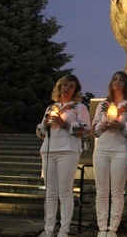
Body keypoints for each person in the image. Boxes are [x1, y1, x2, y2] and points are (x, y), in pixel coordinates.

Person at [36, 75, 91, 237]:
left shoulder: (79, 107)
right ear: (59, 87)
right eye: (64, 85)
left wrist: (64, 123)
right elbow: (40, 132)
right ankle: (48, 229)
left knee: (65, 191)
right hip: (49, 150)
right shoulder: (50, 107)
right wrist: (44, 126)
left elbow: (85, 130)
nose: (67, 88)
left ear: (75, 90)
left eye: (71, 86)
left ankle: (64, 230)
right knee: (50, 192)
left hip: (68, 151)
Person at [91, 71, 127, 237]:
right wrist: (104, 125)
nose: (117, 82)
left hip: (121, 150)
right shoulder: (103, 105)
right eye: (114, 79)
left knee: (117, 191)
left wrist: (122, 127)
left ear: (126, 84)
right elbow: (94, 130)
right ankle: (102, 228)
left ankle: (112, 229)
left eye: (121, 80)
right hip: (102, 150)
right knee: (102, 191)